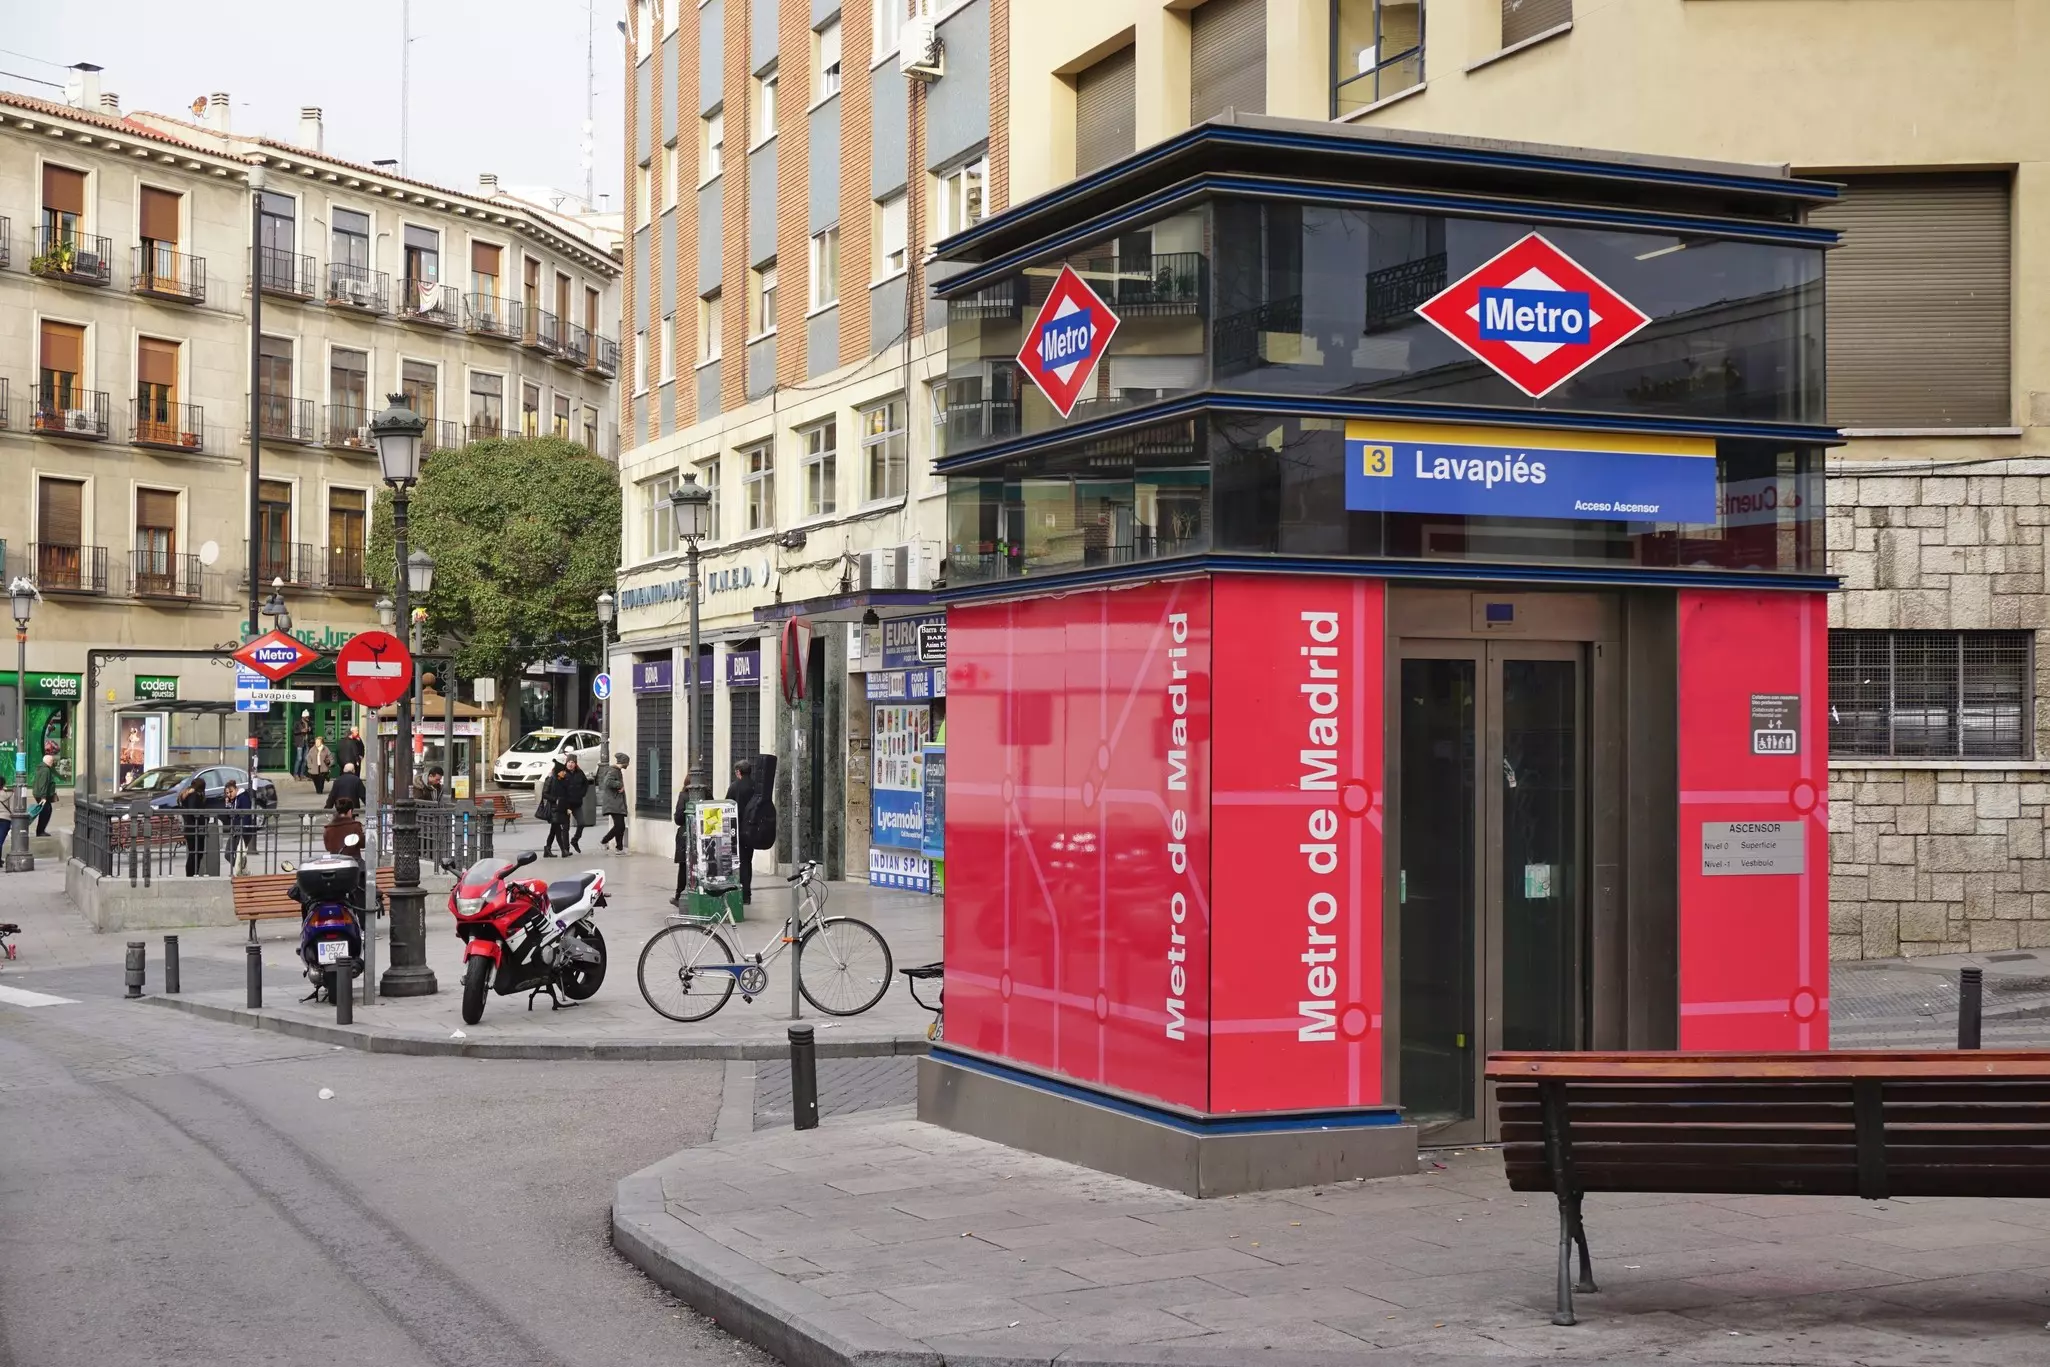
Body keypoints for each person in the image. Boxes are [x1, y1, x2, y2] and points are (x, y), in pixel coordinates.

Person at [726, 760, 758, 906]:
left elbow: (727, 806)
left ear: (738, 772)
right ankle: (747, 894)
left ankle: (738, 892)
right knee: (747, 862)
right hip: (751, 830)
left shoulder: (734, 786)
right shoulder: (755, 786)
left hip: (736, 830)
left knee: (737, 862)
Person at [220, 778, 255, 875]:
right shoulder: (233, 800)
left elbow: (246, 814)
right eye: (227, 793)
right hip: (235, 830)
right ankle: (243, 871)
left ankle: (240, 872)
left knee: (240, 854)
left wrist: (242, 830)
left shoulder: (243, 797)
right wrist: (228, 805)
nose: (229, 794)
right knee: (229, 854)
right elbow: (228, 817)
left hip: (243, 830)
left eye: (231, 791)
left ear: (236, 789)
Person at [177, 777, 210, 878]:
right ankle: (192, 875)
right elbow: (193, 811)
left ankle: (192, 874)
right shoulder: (194, 795)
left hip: (190, 828)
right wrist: (204, 819)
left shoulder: (187, 794)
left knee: (194, 853)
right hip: (195, 828)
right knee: (196, 854)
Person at [538, 761, 572, 858]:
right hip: (553, 809)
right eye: (563, 771)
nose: (564, 773)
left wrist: (568, 807)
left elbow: (566, 795)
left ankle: (547, 849)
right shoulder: (551, 780)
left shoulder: (563, 780)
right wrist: (555, 799)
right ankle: (563, 850)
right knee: (558, 830)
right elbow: (544, 794)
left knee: (553, 830)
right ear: (558, 771)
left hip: (561, 808)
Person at [596, 753, 629, 851]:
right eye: (627, 762)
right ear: (624, 762)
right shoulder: (613, 771)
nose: (628, 765)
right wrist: (619, 785)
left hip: (616, 802)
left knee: (620, 826)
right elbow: (607, 781)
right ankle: (604, 841)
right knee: (620, 826)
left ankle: (619, 847)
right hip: (614, 803)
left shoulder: (616, 771)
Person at [565, 755, 595, 854]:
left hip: (577, 803)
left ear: (575, 764)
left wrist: (581, 794)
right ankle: (566, 849)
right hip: (565, 804)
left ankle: (575, 840)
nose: (570, 764)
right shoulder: (562, 773)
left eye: (572, 762)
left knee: (581, 823)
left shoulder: (579, 772)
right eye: (569, 762)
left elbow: (585, 784)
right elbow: (557, 786)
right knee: (565, 827)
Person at [31, 743, 59, 838]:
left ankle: (40, 830)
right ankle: (40, 831)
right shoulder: (46, 770)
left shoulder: (41, 768)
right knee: (46, 811)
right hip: (42, 795)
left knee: (46, 810)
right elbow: (43, 784)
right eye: (52, 761)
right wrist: (43, 797)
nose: (53, 762)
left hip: (39, 794)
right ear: (48, 761)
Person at [292, 711, 314, 779]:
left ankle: (302, 774)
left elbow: (311, 732)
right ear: (303, 717)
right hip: (300, 743)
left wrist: (310, 730)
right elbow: (294, 731)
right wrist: (301, 731)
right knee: (299, 758)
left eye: (308, 717)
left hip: (306, 742)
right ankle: (295, 774)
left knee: (305, 759)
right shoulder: (298, 723)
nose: (308, 718)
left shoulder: (309, 723)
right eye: (307, 717)